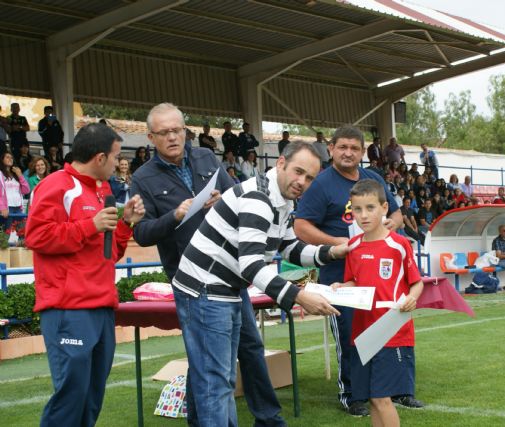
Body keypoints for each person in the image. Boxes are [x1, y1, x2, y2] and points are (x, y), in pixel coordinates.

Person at [130, 103, 286, 427]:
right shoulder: (142, 178)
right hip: (192, 282)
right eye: (164, 133)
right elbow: (141, 233)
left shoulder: (204, 157)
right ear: (150, 137)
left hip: (229, 271)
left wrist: (223, 199)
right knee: (208, 361)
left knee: (250, 347)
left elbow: (238, 196)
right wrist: (173, 216)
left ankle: (269, 419)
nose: (173, 137)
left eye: (178, 130)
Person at [173, 141, 346, 426]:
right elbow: (252, 265)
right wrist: (300, 297)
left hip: (224, 287)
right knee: (217, 381)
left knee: (212, 376)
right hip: (205, 289)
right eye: (298, 172)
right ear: (280, 163)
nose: (302, 182)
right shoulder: (259, 198)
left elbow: (290, 248)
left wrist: (332, 252)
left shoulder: (281, 199)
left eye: (310, 177)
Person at [294, 125, 421, 417]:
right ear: (331, 149)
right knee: (352, 337)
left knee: (391, 333)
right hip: (342, 274)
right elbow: (300, 227)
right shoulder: (321, 184)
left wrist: (390, 225)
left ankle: (399, 389)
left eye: (354, 148)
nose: (348, 153)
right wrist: (339, 243)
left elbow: (398, 212)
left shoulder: (373, 178)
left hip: (382, 276)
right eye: (342, 147)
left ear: (362, 151)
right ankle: (351, 394)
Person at [25, 123, 145, 427]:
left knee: (91, 399)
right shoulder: (55, 186)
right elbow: (37, 237)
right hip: (69, 309)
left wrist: (125, 224)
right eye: (117, 156)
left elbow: (109, 253)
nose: (120, 164)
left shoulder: (104, 190)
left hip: (102, 306)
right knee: (70, 398)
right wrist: (88, 226)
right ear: (99, 158)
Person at [331, 179, 424, 427]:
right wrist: (340, 288)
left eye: (370, 208)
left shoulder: (399, 244)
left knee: (383, 398)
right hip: (362, 332)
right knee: (371, 398)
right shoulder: (353, 246)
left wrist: (411, 299)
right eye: (357, 209)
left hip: (391, 329)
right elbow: (353, 282)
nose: (363, 215)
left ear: (384, 208)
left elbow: (417, 283)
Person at [0, 152, 30, 230]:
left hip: (18, 207)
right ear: (2, 160)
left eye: (11, 157)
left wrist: (20, 175)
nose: (10, 159)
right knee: (7, 232)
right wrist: (2, 207)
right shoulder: (0, 174)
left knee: (20, 232)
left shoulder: (16, 175)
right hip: (7, 208)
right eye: (7, 157)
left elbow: (26, 190)